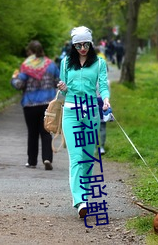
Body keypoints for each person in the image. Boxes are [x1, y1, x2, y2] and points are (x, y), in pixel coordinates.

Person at [57, 26, 110, 218]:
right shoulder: (65, 63)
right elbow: (63, 91)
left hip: (91, 113)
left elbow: (103, 85)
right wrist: (62, 87)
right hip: (71, 112)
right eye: (78, 45)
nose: (82, 48)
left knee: (88, 158)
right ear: (73, 45)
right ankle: (79, 200)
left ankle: (85, 196)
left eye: (86, 44)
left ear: (91, 43)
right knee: (76, 157)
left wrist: (105, 99)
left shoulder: (99, 63)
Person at [11, 40, 60, 170]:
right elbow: (58, 82)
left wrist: (14, 78)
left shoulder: (26, 66)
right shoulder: (51, 65)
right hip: (47, 104)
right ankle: (47, 158)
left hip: (30, 104)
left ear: (30, 52)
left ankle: (32, 161)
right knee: (46, 132)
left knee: (32, 133)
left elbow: (19, 85)